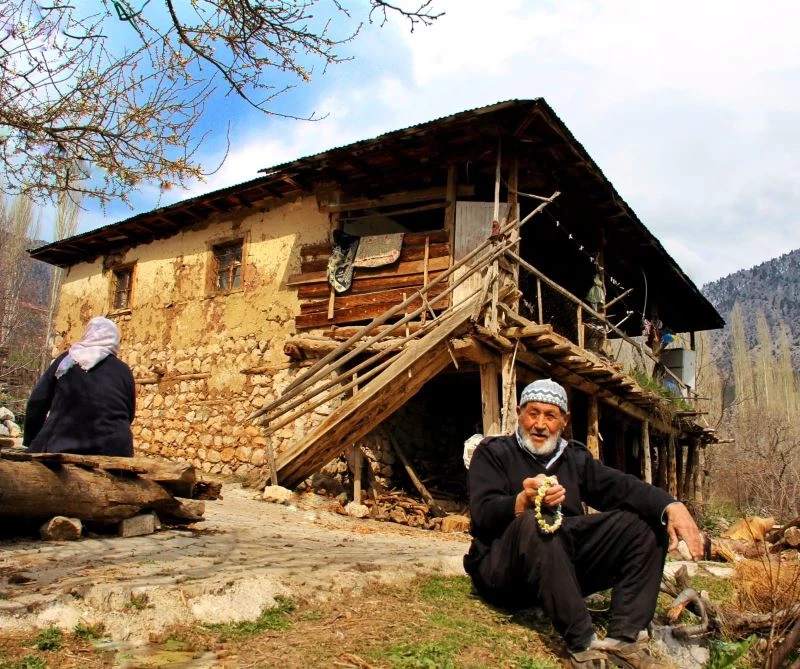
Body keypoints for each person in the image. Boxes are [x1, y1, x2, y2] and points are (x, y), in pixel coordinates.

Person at [464, 378, 704, 669]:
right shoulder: (493, 453)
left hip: (561, 569)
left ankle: (624, 639)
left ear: (563, 421)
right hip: (506, 571)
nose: (539, 424)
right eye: (532, 413)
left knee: (647, 521)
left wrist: (672, 506)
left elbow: (623, 487)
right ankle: (582, 641)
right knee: (538, 522)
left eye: (550, 416)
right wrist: (522, 500)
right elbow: (482, 513)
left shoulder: (573, 457)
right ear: (519, 413)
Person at [23, 316, 136, 456]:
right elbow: (129, 414)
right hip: (117, 450)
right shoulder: (123, 370)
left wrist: (31, 440)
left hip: (64, 445)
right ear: (114, 341)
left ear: (87, 334)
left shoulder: (67, 361)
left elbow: (37, 402)